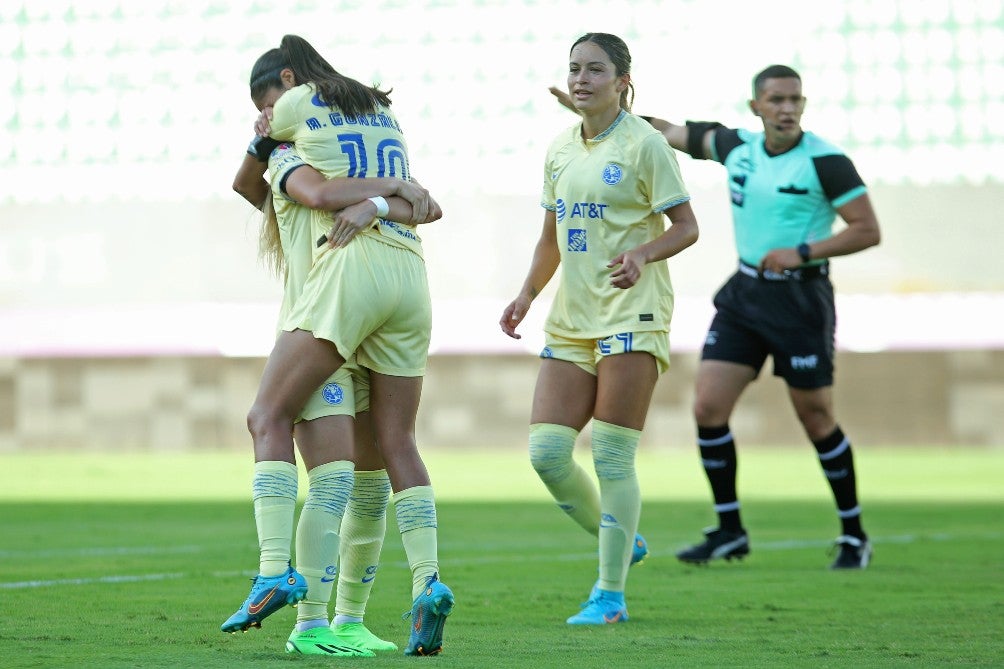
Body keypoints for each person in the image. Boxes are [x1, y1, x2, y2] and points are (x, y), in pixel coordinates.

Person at [554, 64, 881, 569]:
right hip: (746, 295)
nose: (787, 108)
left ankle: (854, 534)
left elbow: (866, 229)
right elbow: (660, 132)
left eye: (795, 99)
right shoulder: (736, 146)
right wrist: (598, 113)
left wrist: (803, 250)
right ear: (757, 107)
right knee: (708, 407)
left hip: (800, 300)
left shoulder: (827, 162)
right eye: (776, 99)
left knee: (816, 416)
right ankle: (729, 530)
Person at [225, 34, 454, 657]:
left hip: (335, 299)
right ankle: (368, 607)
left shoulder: (300, 132)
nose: (265, 116)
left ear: (291, 80)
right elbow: (424, 205)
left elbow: (299, 191)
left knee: (307, 452)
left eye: (265, 102)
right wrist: (392, 190)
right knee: (374, 463)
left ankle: (298, 597)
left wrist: (273, 135)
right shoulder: (370, 123)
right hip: (403, 286)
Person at [501, 33, 699, 625]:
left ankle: (609, 595)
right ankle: (624, 538)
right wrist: (526, 294)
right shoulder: (560, 148)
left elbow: (686, 226)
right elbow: (550, 238)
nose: (582, 78)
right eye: (575, 69)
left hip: (632, 312)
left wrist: (643, 254)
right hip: (571, 316)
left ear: (622, 81)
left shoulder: (646, 145)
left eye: (595, 69)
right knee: (547, 453)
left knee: (613, 455)